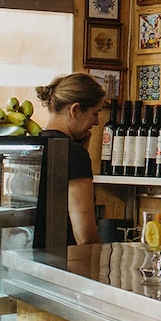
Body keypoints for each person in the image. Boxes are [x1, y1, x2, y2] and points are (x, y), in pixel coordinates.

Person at [36, 73, 106, 245]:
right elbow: (85, 235)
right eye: (95, 113)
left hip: (27, 260)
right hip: (61, 262)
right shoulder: (74, 154)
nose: (97, 122)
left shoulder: (34, 144)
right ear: (75, 110)